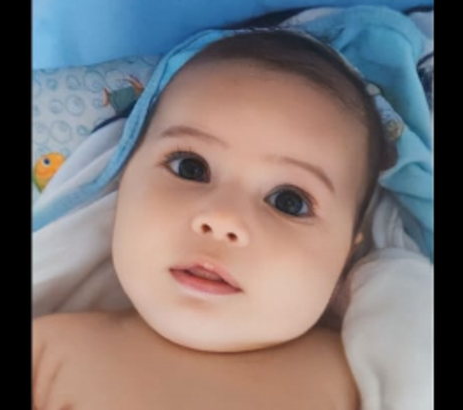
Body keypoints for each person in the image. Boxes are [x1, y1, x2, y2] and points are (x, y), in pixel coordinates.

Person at [33, 29, 396, 410]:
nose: (223, 220)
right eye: (190, 168)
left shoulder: (370, 364)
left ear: (346, 255)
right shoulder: (52, 350)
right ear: (123, 182)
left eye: (288, 202)